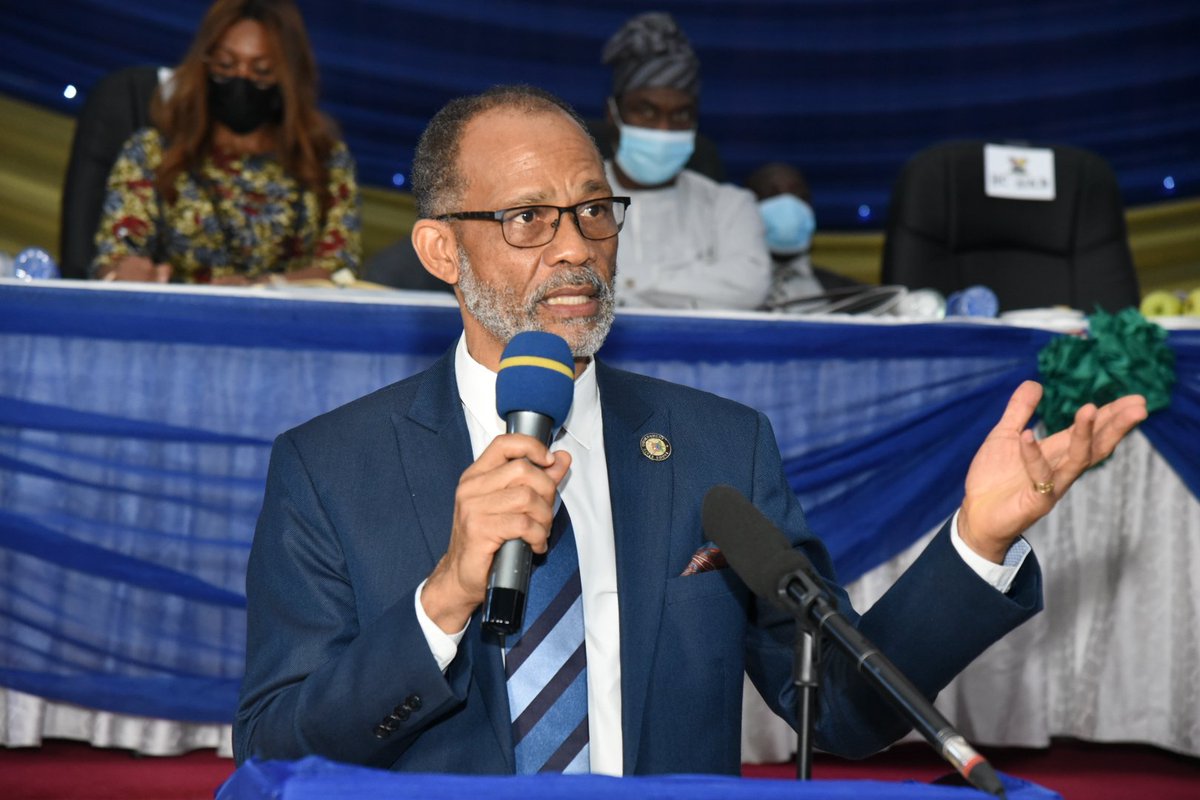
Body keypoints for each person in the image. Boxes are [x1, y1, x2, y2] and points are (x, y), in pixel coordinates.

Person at [233, 85, 1147, 776]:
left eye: (594, 210)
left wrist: (977, 542)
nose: (574, 248)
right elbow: (276, 749)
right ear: (441, 250)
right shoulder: (327, 468)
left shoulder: (719, 446)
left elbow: (841, 713)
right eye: (525, 219)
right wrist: (442, 601)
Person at [90, 0, 361, 285]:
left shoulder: (327, 161)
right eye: (226, 65)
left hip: (291, 323)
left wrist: (260, 289)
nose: (240, 80)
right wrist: (124, 271)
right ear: (203, 65)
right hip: (180, 321)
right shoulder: (152, 152)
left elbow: (340, 272)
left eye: (262, 70)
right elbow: (115, 254)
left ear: (288, 78)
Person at [599, 12, 771, 310]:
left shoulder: (729, 206)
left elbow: (749, 287)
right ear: (613, 115)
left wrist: (623, 285)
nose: (664, 129)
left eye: (680, 114)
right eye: (647, 111)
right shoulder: (571, 198)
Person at [744, 162, 861, 311]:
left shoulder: (852, 295)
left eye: (797, 194)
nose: (787, 204)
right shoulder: (724, 291)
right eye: (772, 195)